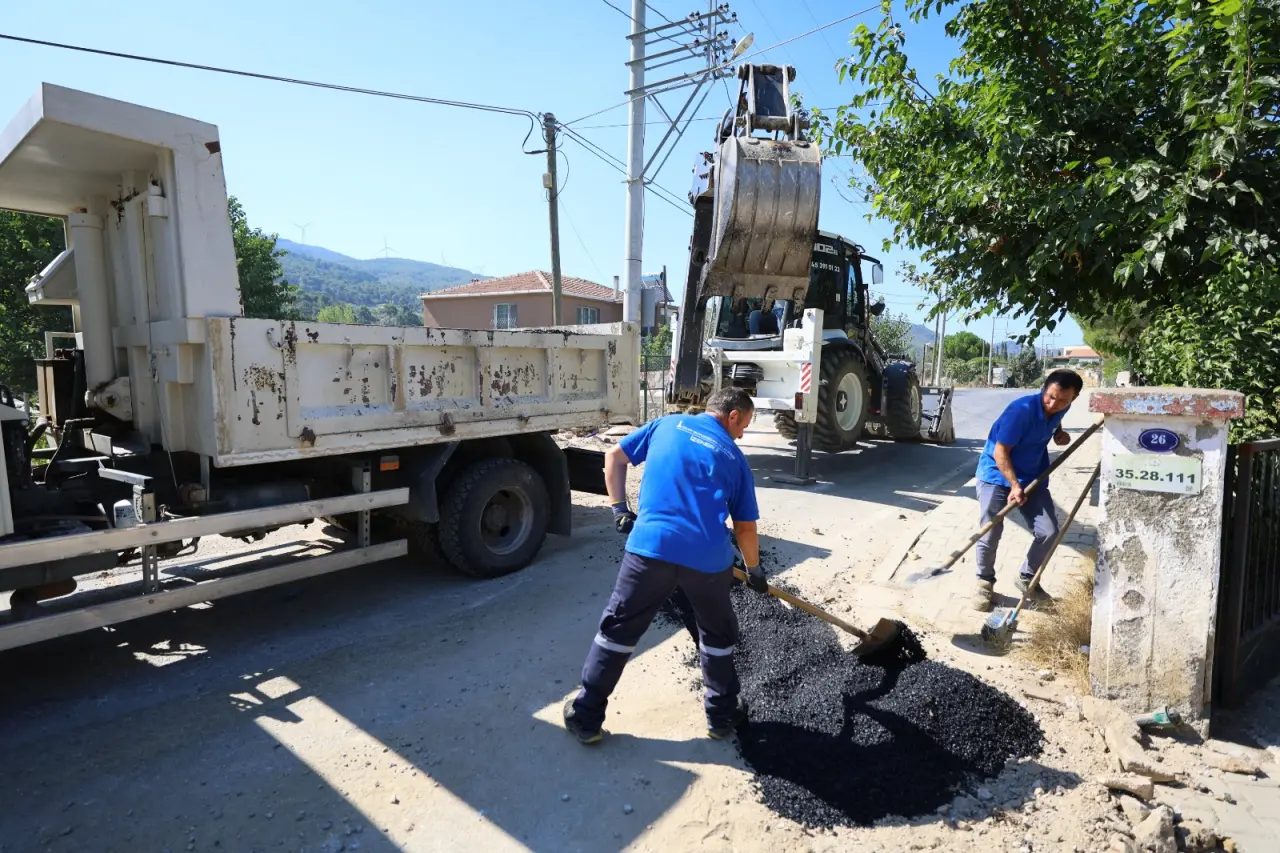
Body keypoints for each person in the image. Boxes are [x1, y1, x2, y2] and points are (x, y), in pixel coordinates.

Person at [563, 387, 764, 745]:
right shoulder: (734, 458)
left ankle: (586, 715)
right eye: (744, 425)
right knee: (716, 635)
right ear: (732, 416)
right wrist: (754, 570)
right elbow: (745, 528)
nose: (742, 434)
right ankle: (720, 717)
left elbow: (613, 457)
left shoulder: (665, 424)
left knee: (618, 630)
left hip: (650, 551)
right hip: (707, 562)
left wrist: (619, 509)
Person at [970, 369, 1084, 612]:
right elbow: (1001, 453)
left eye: (1063, 400)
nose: (1054, 404)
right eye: (1050, 397)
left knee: (1049, 530)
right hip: (996, 474)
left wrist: (1059, 434)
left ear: (1073, 399)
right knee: (990, 530)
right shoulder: (1019, 412)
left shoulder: (1062, 406)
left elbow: (1055, 419)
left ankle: (1027, 578)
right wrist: (1014, 485)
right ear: (1043, 389)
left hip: (1033, 477)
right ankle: (984, 582)